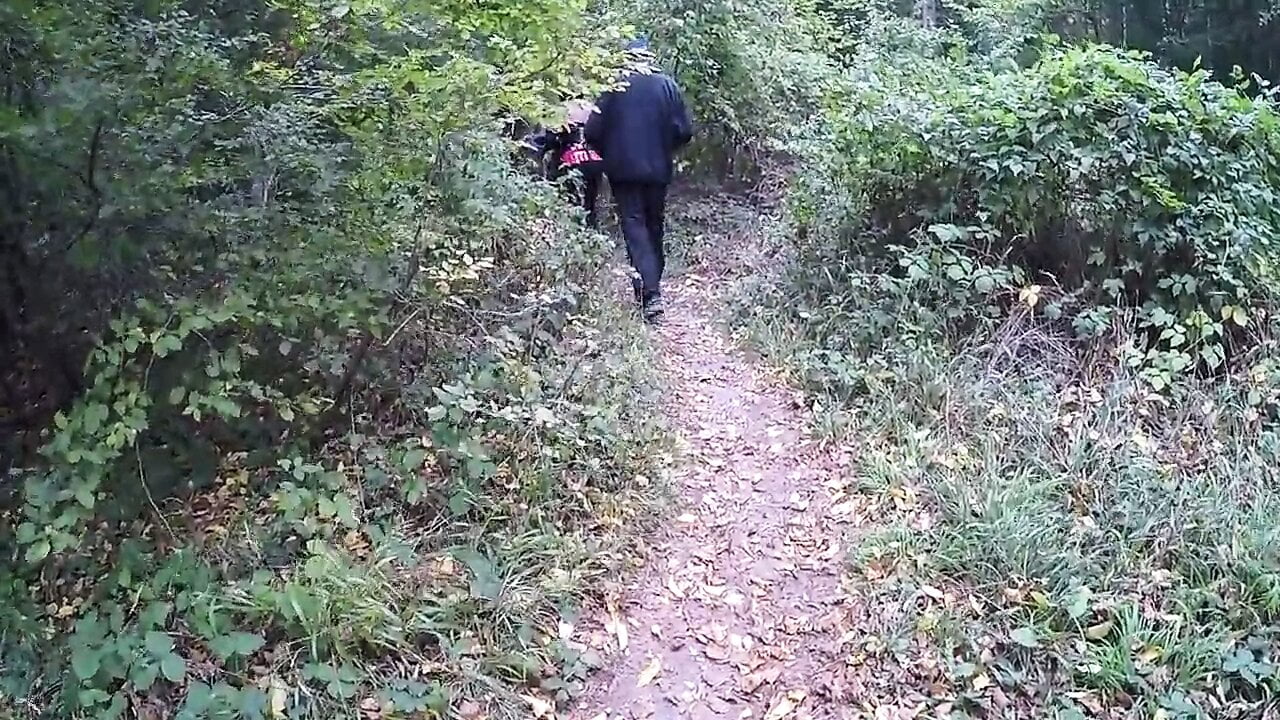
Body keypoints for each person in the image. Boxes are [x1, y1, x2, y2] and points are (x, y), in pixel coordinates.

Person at [585, 36, 694, 322]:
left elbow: (591, 132)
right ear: (648, 58)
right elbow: (684, 131)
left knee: (634, 227)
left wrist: (610, 152)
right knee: (654, 225)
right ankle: (651, 289)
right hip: (658, 170)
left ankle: (649, 293)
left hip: (623, 171)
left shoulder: (613, 88)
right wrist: (663, 147)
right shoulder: (667, 86)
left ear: (626, 59)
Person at [526, 100, 604, 227]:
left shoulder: (562, 110)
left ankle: (572, 226)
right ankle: (590, 226)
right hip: (593, 161)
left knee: (567, 199)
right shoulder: (593, 109)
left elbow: (550, 140)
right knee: (590, 202)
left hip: (569, 161)